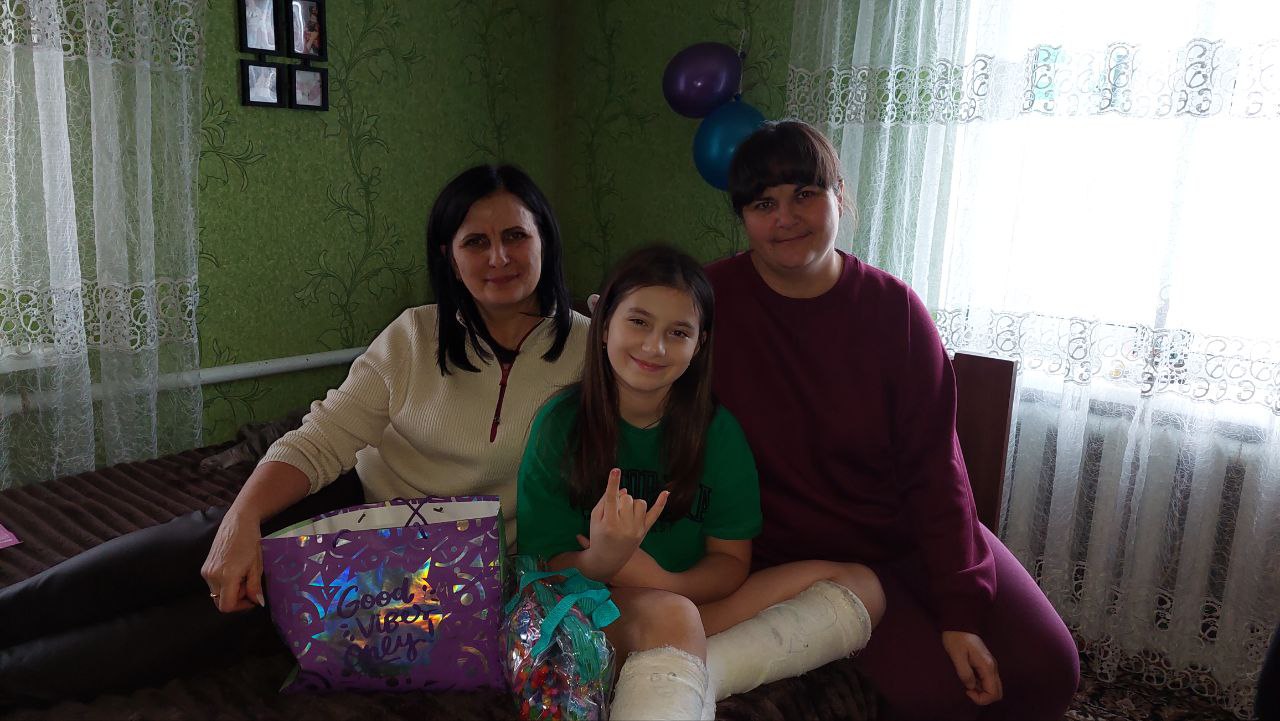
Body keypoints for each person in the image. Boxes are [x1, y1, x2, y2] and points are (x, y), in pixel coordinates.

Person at [0, 164, 590, 704]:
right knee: (196, 544)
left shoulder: (593, 351)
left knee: (228, 617)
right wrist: (241, 520)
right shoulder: (415, 335)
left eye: (515, 236)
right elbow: (321, 438)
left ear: (544, 239)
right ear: (449, 255)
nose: (498, 257)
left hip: (446, 566)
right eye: (475, 242)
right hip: (359, 503)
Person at [703, 119, 1082, 720]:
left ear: (839, 196)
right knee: (944, 697)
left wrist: (960, 610)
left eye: (805, 193)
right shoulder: (709, 303)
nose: (786, 218)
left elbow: (938, 468)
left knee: (1050, 668)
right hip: (809, 560)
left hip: (908, 532)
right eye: (763, 204)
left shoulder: (894, 310)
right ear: (743, 216)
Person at [517, 245, 886, 721]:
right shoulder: (560, 425)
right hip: (591, 609)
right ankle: (678, 667)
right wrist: (605, 558)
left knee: (863, 587)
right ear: (604, 324)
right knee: (674, 617)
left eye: (678, 333)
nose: (655, 346)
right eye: (639, 322)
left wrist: (665, 583)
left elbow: (730, 563)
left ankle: (693, 675)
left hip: (688, 602)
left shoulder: (717, 432)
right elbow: (545, 573)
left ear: (699, 344)